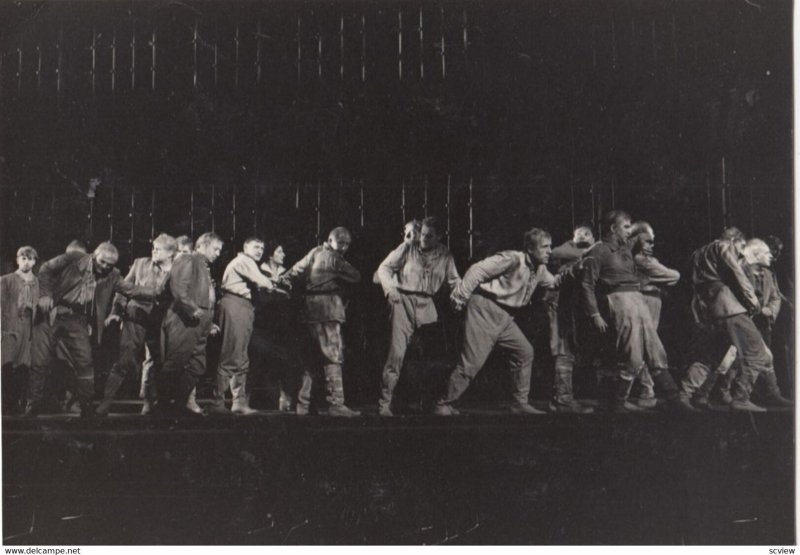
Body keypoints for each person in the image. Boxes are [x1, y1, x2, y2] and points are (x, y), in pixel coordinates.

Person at [25, 242, 157, 417]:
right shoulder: (73, 258)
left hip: (76, 319)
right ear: (95, 256)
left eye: (109, 265)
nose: (104, 267)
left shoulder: (113, 275)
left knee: (85, 363)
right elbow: (45, 269)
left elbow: (130, 289)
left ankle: (87, 408)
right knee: (39, 361)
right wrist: (45, 295)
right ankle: (33, 406)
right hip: (51, 313)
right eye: (102, 262)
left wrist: (158, 292)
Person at [433, 228, 556, 415]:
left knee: (524, 352)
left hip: (505, 316)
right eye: (545, 247)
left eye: (550, 247)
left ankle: (519, 403)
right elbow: (477, 270)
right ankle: (442, 403)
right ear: (530, 249)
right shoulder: (512, 258)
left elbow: (555, 283)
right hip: (484, 309)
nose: (549, 251)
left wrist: (576, 270)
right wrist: (460, 295)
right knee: (472, 362)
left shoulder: (540, 269)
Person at [581, 211, 688, 412]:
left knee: (655, 349)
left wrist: (642, 232)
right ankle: (617, 402)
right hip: (619, 300)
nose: (629, 231)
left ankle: (674, 399)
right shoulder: (599, 251)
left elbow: (639, 236)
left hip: (637, 299)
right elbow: (587, 284)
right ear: (613, 228)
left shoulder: (624, 249)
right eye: (626, 226)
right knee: (633, 355)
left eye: (630, 227)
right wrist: (594, 314)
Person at [685, 228, 790, 411]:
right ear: (734, 240)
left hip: (711, 308)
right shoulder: (724, 246)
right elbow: (737, 274)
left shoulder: (697, 253)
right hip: (729, 307)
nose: (742, 252)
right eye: (741, 247)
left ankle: (685, 394)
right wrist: (753, 302)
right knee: (757, 353)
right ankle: (741, 397)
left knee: (713, 355)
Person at [375, 217, 460, 415]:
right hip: (403, 302)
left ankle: (428, 403)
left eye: (430, 236)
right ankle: (384, 404)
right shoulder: (407, 248)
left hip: (427, 305)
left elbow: (455, 281)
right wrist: (390, 290)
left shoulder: (446, 255)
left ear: (439, 237)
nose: (424, 239)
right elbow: (384, 268)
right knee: (395, 354)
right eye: (422, 235)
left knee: (428, 357)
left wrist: (460, 298)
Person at [282, 227, 362, 417]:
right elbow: (356, 276)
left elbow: (295, 270)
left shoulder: (315, 251)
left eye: (347, 244)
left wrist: (283, 279)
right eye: (341, 242)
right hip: (327, 308)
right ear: (331, 240)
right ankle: (336, 404)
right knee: (333, 356)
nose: (343, 247)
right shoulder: (334, 258)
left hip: (309, 309)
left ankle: (303, 404)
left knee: (311, 358)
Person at [95, 234, 177, 416]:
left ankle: (152, 403)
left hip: (162, 321)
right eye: (153, 247)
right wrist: (116, 311)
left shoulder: (178, 270)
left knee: (160, 363)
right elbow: (123, 289)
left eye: (159, 249)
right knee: (124, 361)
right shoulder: (140, 263)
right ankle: (105, 404)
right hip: (135, 317)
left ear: (171, 253)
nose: (153, 251)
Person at [208, 237, 276, 416]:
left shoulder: (249, 262)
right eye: (256, 247)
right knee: (231, 354)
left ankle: (238, 402)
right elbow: (263, 282)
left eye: (262, 247)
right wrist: (275, 283)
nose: (260, 250)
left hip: (244, 307)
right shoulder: (244, 261)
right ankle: (217, 402)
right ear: (245, 247)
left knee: (241, 356)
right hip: (235, 305)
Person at [158, 232, 223, 416]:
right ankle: (163, 409)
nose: (218, 253)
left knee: (197, 364)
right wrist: (192, 309)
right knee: (176, 363)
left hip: (200, 321)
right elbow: (179, 288)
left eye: (220, 250)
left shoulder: (203, 266)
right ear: (201, 246)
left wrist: (208, 321)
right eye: (215, 248)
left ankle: (177, 406)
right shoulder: (188, 259)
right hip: (185, 319)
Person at [544, 223, 596, 413]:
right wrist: (591, 253)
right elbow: (556, 253)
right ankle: (562, 399)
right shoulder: (567, 250)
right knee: (562, 349)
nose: (583, 236)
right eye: (579, 233)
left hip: (568, 305)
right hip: (557, 302)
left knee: (567, 349)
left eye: (588, 234)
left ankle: (562, 397)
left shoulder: (583, 254)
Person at [629, 221, 681, 409]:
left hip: (651, 299)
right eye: (647, 242)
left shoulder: (645, 259)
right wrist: (657, 281)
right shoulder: (641, 260)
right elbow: (674, 276)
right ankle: (647, 390)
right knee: (647, 345)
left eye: (653, 242)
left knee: (646, 345)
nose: (652, 245)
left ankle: (647, 390)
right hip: (645, 300)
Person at [251, 240, 297, 411]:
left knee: (284, 361)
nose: (283, 255)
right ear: (271, 255)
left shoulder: (287, 273)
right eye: (280, 252)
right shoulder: (258, 271)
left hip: (282, 323)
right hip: (262, 323)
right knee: (258, 360)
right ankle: (249, 399)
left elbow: (290, 297)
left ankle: (284, 401)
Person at [1, 246, 39, 414]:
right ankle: (6, 404)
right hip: (9, 327)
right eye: (23, 258)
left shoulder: (37, 282)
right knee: (6, 363)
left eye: (30, 259)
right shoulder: (6, 280)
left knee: (24, 365)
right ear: (17, 260)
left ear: (35, 262)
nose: (26, 262)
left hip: (28, 329)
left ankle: (18, 403)